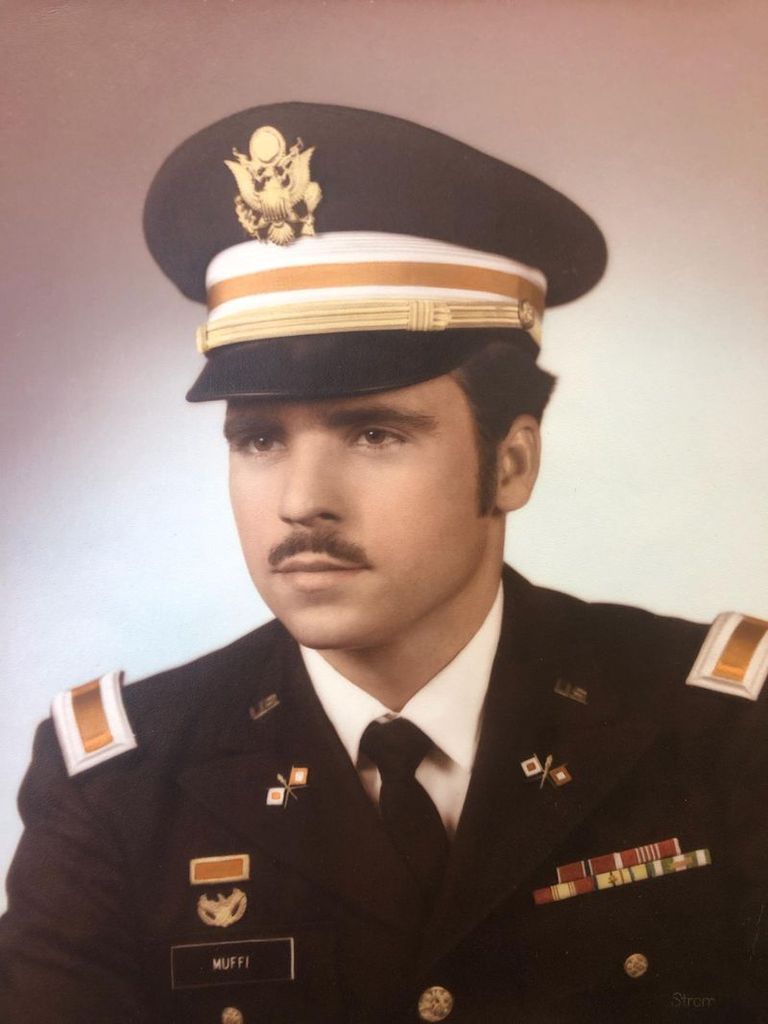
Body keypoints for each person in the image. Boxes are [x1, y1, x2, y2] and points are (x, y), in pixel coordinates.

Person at [0, 102, 766, 1024]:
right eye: (258, 438)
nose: (301, 501)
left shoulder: (717, 733)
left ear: (512, 463)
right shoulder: (119, 788)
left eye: (374, 433)